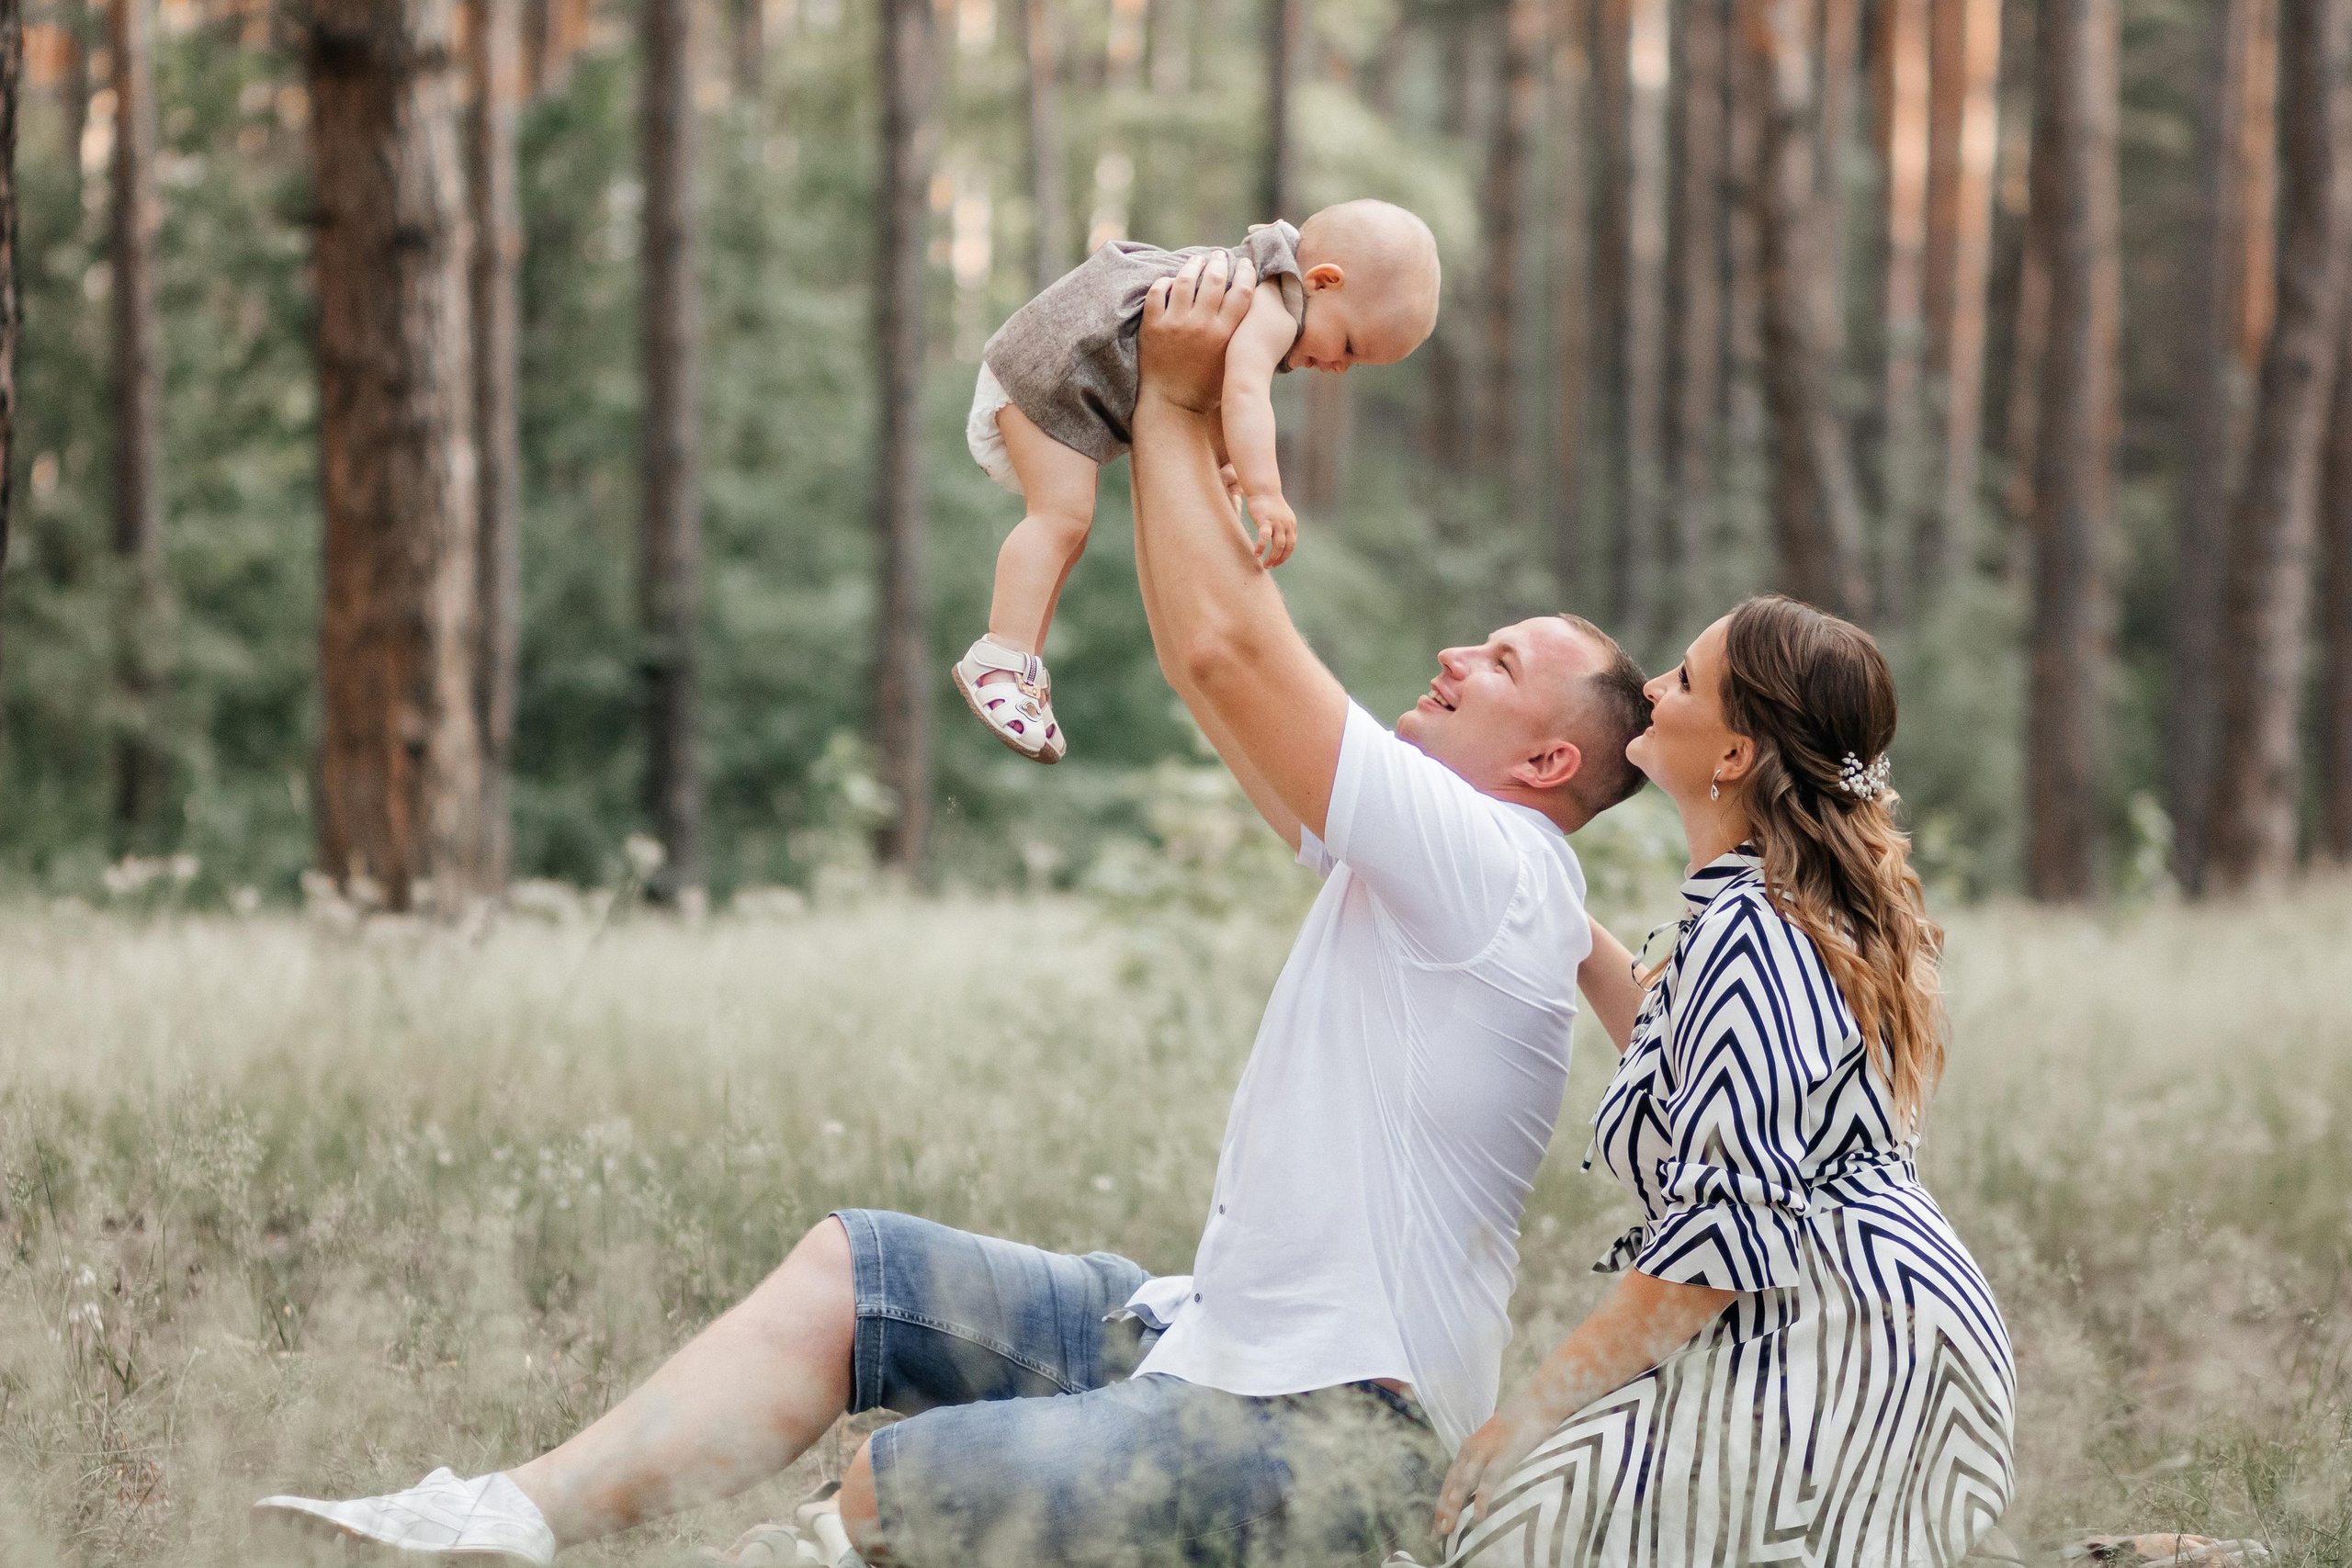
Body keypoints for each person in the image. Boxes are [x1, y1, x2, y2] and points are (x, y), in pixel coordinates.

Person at [252, 248, 1650, 1567]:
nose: (1461, 649)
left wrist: (1169, 391)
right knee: (854, 1271)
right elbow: (1201, 659)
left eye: (1505, 656)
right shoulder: (1453, 872)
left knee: (896, 1482)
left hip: (1334, 1431)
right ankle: (503, 1514)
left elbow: (1231, 649)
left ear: (1547, 763)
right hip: (1204, 1339)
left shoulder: (1490, 857)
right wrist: (1162, 399)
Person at [1417, 595, 2018, 1568]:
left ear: (1733, 757)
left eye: (1685, 681)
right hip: (1861, 1327)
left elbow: (1717, 1248)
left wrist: (1524, 1417)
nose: (1651, 689)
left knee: (1500, 1529)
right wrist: (1551, 908)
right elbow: (1683, 1052)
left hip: (1852, 1354)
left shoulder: (1753, 931)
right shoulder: (1759, 907)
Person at [952, 198, 1440, 764]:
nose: (1338, 368)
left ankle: (1023, 669)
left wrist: (1224, 463)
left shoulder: (1264, 286)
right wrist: (1265, 492)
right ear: (1323, 281)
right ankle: (999, 656)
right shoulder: (1276, 304)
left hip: (1065, 369)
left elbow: (1209, 385)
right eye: (1350, 347)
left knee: (1071, 528)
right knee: (1059, 517)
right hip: (1057, 366)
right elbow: (1244, 393)